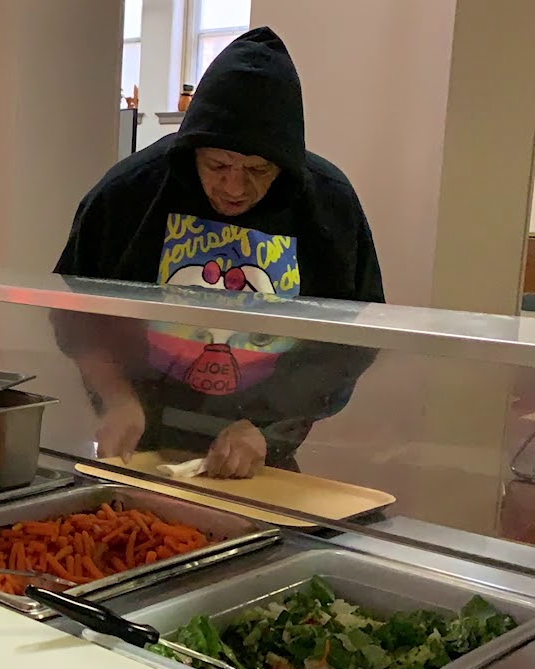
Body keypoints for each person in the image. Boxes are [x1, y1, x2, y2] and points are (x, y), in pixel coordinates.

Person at [52, 27, 384, 478]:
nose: (233, 187)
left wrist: (271, 427)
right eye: (218, 165)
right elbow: (75, 315)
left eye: (256, 170)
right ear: (192, 151)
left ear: (285, 166)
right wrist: (117, 397)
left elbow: (352, 342)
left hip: (263, 452)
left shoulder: (328, 205)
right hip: (141, 446)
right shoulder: (129, 194)